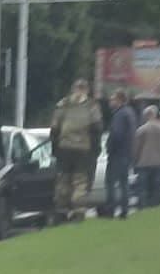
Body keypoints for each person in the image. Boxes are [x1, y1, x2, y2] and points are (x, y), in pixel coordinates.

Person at [51, 79, 103, 222]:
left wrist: (54, 147)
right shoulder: (92, 106)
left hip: (64, 147)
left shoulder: (63, 104)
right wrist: (96, 149)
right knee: (80, 180)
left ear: (73, 89)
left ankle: (61, 210)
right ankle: (78, 211)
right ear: (86, 90)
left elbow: (54, 128)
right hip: (83, 149)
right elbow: (97, 129)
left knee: (63, 179)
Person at [104, 89, 137, 219]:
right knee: (124, 183)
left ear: (119, 100)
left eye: (113, 99)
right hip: (127, 153)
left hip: (117, 154)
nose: (111, 101)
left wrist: (109, 148)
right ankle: (124, 210)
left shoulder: (119, 114)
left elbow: (116, 134)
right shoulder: (130, 113)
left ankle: (110, 210)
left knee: (110, 183)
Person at [134, 106, 160, 209]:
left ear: (147, 115)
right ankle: (155, 207)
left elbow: (136, 148)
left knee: (142, 188)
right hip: (158, 164)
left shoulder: (141, 130)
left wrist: (135, 162)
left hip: (143, 164)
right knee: (157, 188)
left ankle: (142, 207)